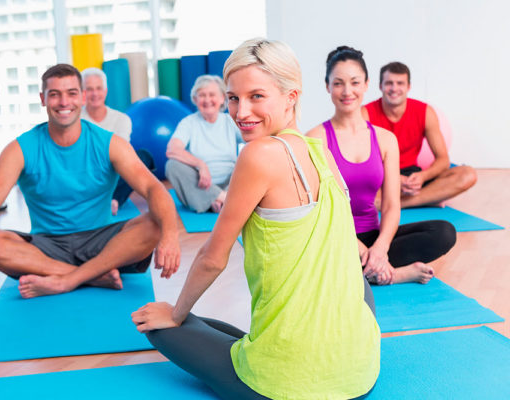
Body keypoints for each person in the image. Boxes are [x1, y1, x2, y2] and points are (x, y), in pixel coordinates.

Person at [132, 39, 379, 400]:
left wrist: (175, 314)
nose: (240, 111)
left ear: (291, 96)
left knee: (159, 322)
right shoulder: (318, 147)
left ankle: (264, 353)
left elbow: (212, 258)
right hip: (361, 367)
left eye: (256, 97)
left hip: (291, 383)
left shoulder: (258, 154)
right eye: (233, 98)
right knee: (355, 287)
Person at [0, 64, 180, 300]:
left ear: (83, 97)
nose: (64, 102)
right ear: (43, 99)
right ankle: (91, 276)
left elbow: (153, 188)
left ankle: (67, 280)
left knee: (156, 224)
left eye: (72, 93)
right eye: (54, 94)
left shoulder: (109, 143)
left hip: (104, 244)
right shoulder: (20, 149)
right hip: (46, 249)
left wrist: (170, 236)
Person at [307, 46, 456, 285]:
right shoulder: (315, 138)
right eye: (338, 83)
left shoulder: (385, 139)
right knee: (310, 258)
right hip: (333, 237)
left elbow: (390, 205)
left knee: (444, 232)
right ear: (327, 87)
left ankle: (363, 272)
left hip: (373, 235)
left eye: (355, 82)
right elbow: (318, 211)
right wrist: (363, 252)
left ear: (366, 85)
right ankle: (392, 275)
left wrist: (380, 248)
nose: (347, 91)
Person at [362, 61, 477, 208]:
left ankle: (401, 203)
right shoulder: (365, 114)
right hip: (381, 177)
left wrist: (422, 177)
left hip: (413, 176)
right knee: (359, 194)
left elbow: (443, 159)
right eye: (389, 83)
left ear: (408, 87)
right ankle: (429, 198)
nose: (394, 88)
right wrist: (394, 179)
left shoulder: (425, 112)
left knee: (468, 174)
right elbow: (361, 163)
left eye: (400, 83)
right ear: (380, 86)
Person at [81, 67, 155, 215]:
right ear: (83, 92)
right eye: (89, 89)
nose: (95, 94)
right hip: (88, 174)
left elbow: (122, 153)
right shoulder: (76, 120)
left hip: (114, 170)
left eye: (98, 88)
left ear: (105, 91)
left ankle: (114, 199)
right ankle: (98, 199)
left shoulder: (121, 119)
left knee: (143, 156)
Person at [165, 75, 243, 213]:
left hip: (230, 182)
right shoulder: (189, 122)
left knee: (249, 161)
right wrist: (201, 165)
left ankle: (216, 200)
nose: (207, 100)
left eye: (212, 95)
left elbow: (253, 140)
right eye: (202, 95)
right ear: (195, 100)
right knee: (172, 165)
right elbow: (172, 149)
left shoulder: (230, 121)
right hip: (201, 184)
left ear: (221, 99)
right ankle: (223, 199)